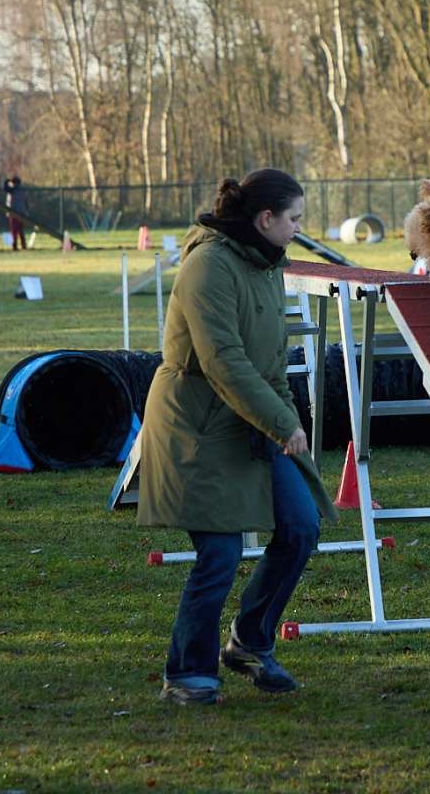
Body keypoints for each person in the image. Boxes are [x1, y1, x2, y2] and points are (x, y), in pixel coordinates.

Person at [136, 169, 335, 706]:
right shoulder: (208, 266)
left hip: (254, 417)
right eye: (294, 218)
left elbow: (270, 361)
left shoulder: (267, 264)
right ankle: (187, 672)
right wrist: (282, 423)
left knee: (301, 526)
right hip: (197, 426)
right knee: (220, 553)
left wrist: (286, 418)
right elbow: (223, 362)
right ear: (265, 218)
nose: (298, 228)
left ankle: (249, 642)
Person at [1, 175, 28, 250]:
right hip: (22, 212)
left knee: (14, 230)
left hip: (13, 212)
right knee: (20, 230)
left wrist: (7, 180)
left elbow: (4, 187)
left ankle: (14, 246)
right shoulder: (22, 190)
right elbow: (26, 202)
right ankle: (23, 245)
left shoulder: (12, 189)